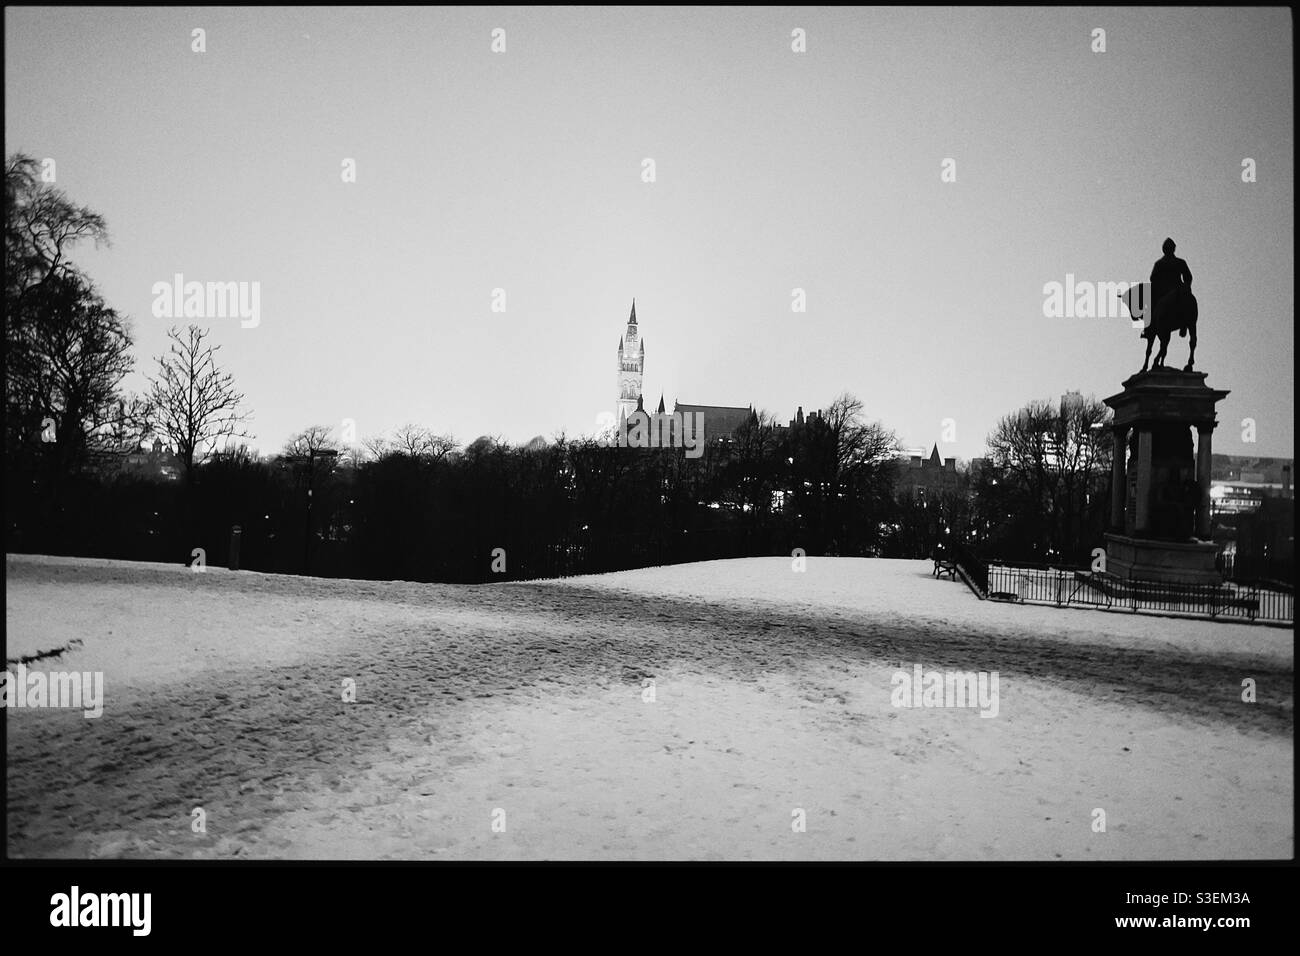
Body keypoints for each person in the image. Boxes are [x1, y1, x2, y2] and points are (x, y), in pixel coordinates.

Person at [1150, 238, 1193, 334]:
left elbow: (1188, 277)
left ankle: (1185, 323)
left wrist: (1186, 286)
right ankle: (1150, 327)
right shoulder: (1160, 263)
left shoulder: (1178, 262)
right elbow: (1153, 278)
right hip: (1167, 290)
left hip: (1173, 290)